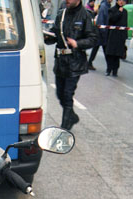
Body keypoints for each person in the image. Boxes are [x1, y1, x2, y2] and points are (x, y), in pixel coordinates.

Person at [44, 0, 97, 130]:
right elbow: (55, 34)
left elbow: (93, 39)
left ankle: (65, 126)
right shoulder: (61, 14)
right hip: (61, 61)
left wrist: (77, 43)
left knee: (67, 94)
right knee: (60, 94)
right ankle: (72, 116)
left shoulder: (85, 16)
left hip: (75, 62)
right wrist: (47, 37)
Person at [105, 0, 128, 76]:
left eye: (123, 1)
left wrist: (125, 35)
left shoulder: (125, 11)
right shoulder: (112, 10)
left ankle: (115, 70)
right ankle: (109, 69)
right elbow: (111, 20)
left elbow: (125, 24)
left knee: (118, 54)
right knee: (110, 53)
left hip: (121, 36)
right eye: (120, 0)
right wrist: (119, 12)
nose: (121, 2)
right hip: (113, 34)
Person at [88, 0, 111, 70]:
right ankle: (109, 67)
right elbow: (101, 20)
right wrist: (103, 31)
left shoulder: (106, 6)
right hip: (101, 32)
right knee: (105, 49)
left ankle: (89, 63)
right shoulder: (104, 7)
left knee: (96, 48)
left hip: (101, 31)